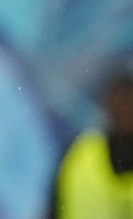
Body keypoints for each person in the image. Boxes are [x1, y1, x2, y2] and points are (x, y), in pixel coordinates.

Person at [49, 64, 133, 218]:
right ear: (108, 105)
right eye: (121, 102)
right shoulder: (80, 153)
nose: (125, 110)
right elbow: (51, 209)